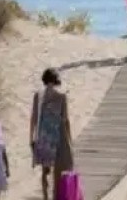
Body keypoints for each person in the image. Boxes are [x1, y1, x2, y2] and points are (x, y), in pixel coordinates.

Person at [30, 68, 74, 200]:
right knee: (57, 172)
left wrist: (31, 137)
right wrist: (70, 140)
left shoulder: (38, 95)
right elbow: (66, 120)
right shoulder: (61, 96)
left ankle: (45, 197)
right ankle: (55, 197)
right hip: (58, 136)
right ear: (56, 80)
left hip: (43, 137)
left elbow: (33, 118)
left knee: (44, 171)